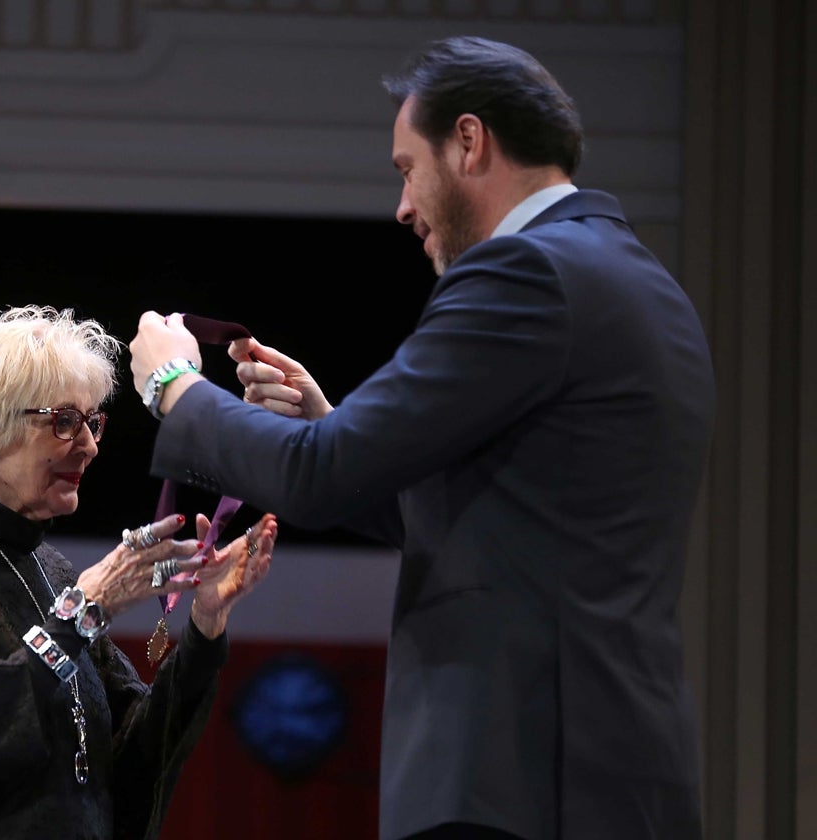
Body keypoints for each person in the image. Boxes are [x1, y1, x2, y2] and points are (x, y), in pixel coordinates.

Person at [128, 35, 713, 840]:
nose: (403, 207)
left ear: (469, 142)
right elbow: (475, 519)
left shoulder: (527, 274)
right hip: (600, 775)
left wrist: (175, 390)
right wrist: (336, 431)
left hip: (517, 781)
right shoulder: (638, 279)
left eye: (408, 169)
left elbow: (319, 479)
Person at [0, 304, 278, 840]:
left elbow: (134, 753)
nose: (90, 445)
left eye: (90, 421)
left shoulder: (52, 571)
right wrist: (81, 615)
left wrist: (204, 627)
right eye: (62, 422)